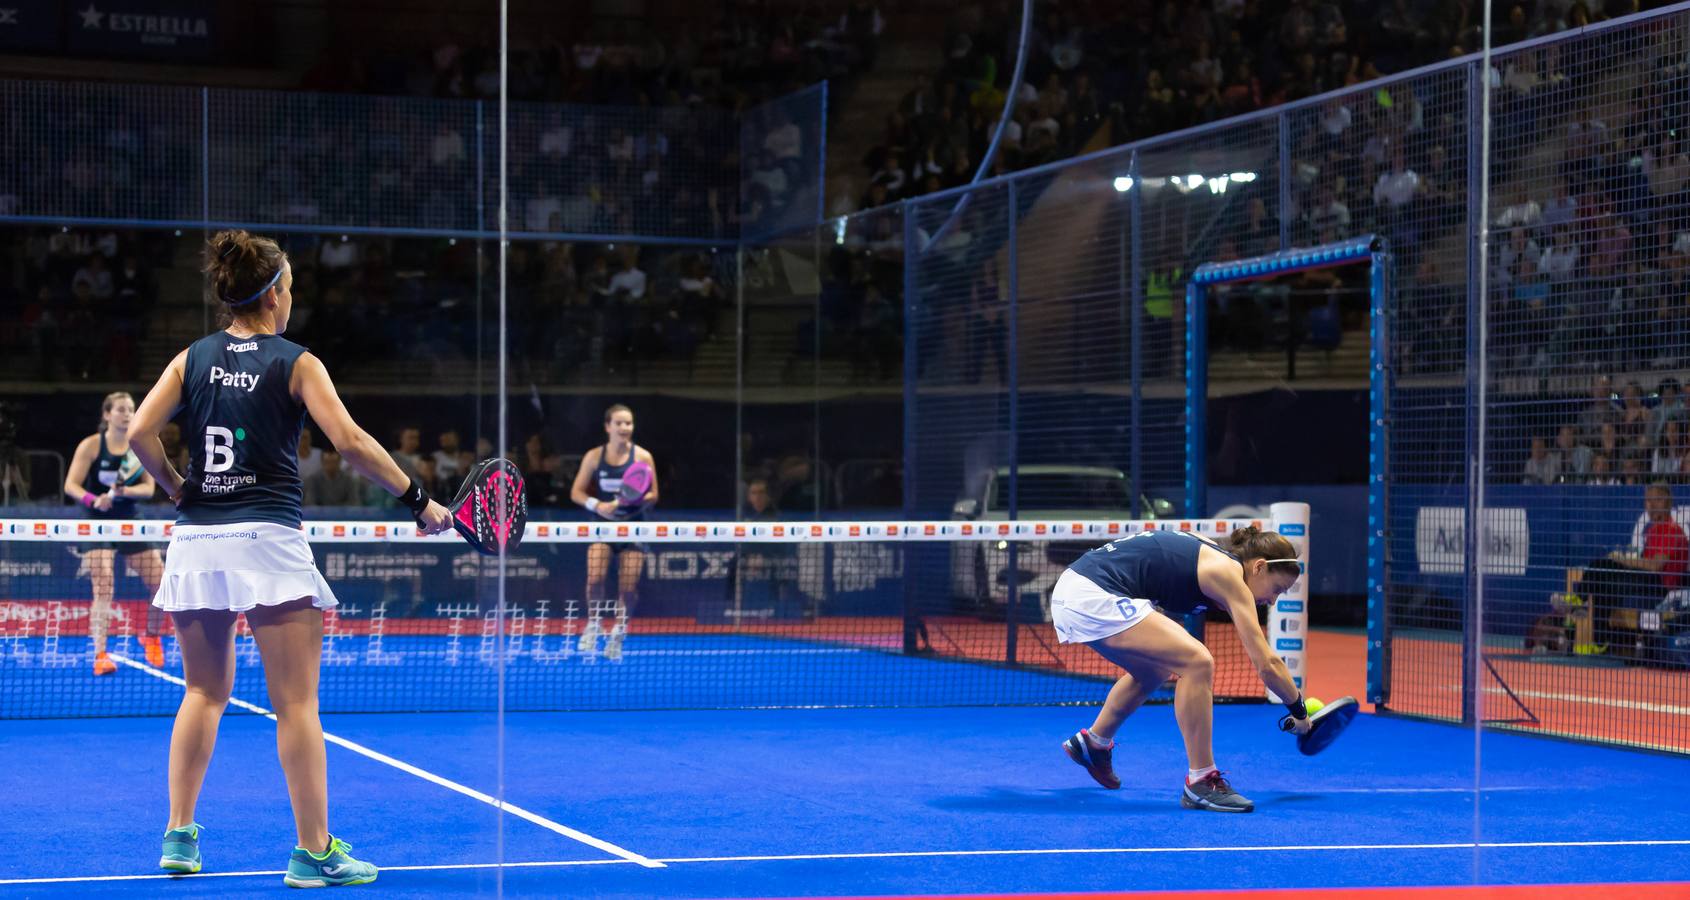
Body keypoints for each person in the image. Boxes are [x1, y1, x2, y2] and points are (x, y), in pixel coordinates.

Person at [127, 229, 451, 886]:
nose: (292, 296)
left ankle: (180, 837)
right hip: (267, 539)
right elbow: (352, 443)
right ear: (274, 294)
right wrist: (419, 499)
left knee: (201, 692)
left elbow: (138, 432)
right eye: (292, 287)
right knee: (296, 705)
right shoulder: (296, 361)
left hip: (196, 540)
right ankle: (315, 852)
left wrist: (175, 488)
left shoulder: (191, 358)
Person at [1051, 526, 1310, 813]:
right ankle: (1201, 780)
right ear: (1259, 567)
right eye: (1276, 590)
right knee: (1197, 662)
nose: (1273, 601)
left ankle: (1094, 744)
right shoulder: (1228, 574)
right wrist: (1299, 710)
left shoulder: (1217, 560)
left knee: (1156, 669)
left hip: (1080, 588)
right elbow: (1267, 665)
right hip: (1091, 593)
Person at [62, 391, 167, 674]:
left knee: (162, 582)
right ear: (107, 414)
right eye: (120, 409)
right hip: (96, 520)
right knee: (104, 581)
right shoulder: (92, 446)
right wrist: (92, 500)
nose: (127, 414)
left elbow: (149, 488)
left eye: (131, 409)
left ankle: (151, 635)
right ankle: (100, 654)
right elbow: (71, 485)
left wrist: (124, 491)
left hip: (130, 518)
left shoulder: (141, 446)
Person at [569, 404, 658, 661]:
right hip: (603, 527)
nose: (624, 428)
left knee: (628, 588)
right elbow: (576, 492)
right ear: (608, 427)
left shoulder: (643, 457)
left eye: (628, 423)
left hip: (633, 527)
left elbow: (654, 494)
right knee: (595, 578)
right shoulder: (594, 457)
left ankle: (619, 631)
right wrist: (598, 505)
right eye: (619, 423)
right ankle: (593, 624)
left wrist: (630, 500)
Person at [1578, 481, 1689, 654]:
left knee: (1608, 566)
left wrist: (1623, 560)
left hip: (1662, 588)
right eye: (1647, 501)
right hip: (1648, 581)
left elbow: (1654, 566)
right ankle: (1599, 641)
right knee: (1604, 577)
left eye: (1655, 500)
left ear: (1666, 502)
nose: (1650, 505)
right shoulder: (1653, 531)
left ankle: (1579, 600)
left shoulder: (1671, 530)